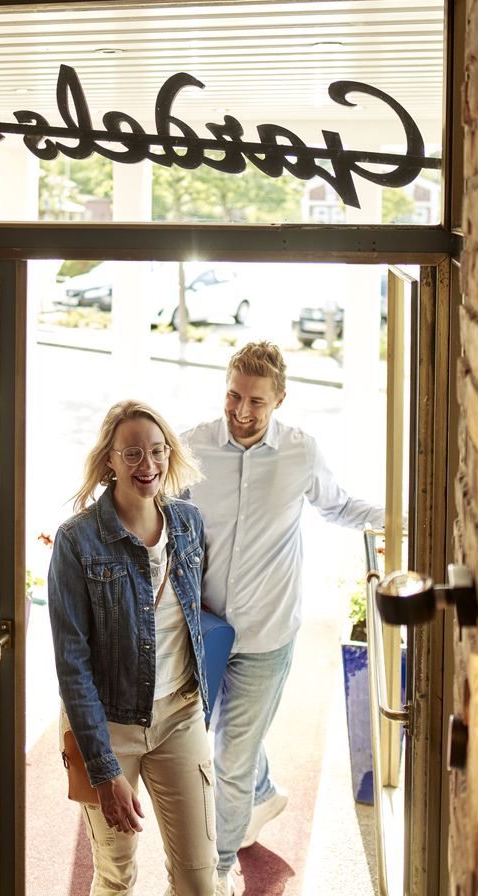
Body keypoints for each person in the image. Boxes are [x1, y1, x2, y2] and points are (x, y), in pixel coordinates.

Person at [182, 341, 384, 892]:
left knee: (227, 755)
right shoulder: (193, 445)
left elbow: (338, 506)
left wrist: (405, 517)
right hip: (203, 630)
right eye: (234, 396)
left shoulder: (300, 451)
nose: (242, 412)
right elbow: (158, 510)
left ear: (280, 400)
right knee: (227, 738)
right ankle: (263, 794)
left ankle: (219, 868)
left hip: (268, 634)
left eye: (256, 402)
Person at [48, 400, 218, 896]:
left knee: (199, 879)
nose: (149, 466)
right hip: (108, 726)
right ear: (110, 461)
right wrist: (102, 768)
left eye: (158, 451)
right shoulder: (77, 541)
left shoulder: (188, 524)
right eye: (133, 454)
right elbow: (71, 664)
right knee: (116, 876)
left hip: (180, 717)